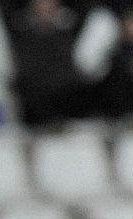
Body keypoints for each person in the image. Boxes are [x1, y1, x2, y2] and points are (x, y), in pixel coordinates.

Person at [8, 0, 93, 129]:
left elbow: (69, 66)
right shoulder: (21, 30)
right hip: (34, 100)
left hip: (64, 96)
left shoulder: (68, 29)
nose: (46, 6)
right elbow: (25, 68)